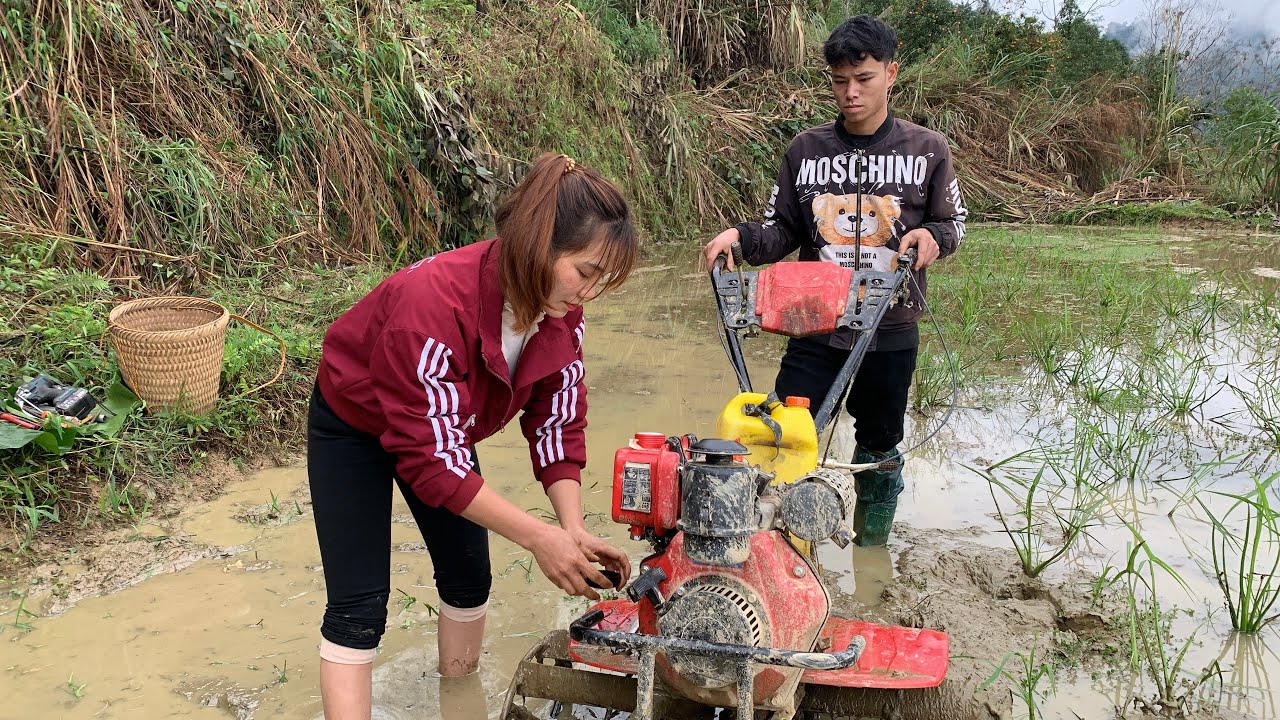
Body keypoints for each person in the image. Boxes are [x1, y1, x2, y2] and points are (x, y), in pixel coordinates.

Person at [308, 153, 638, 719]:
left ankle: (459, 699)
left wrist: (572, 530)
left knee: (469, 576)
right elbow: (435, 465)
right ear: (538, 243)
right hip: (353, 426)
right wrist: (538, 538)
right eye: (585, 272)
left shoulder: (560, 313)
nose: (590, 293)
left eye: (602, 280)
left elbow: (557, 418)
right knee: (359, 604)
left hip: (441, 430)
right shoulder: (431, 307)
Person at [702, 15, 967, 547]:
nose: (850, 93)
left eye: (863, 79)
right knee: (779, 437)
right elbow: (781, 231)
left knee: (878, 447)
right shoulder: (805, 150)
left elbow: (952, 223)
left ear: (891, 73)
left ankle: (871, 553)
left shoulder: (927, 149)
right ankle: (779, 552)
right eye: (839, 80)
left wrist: (933, 239)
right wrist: (740, 239)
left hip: (889, 329)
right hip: (815, 326)